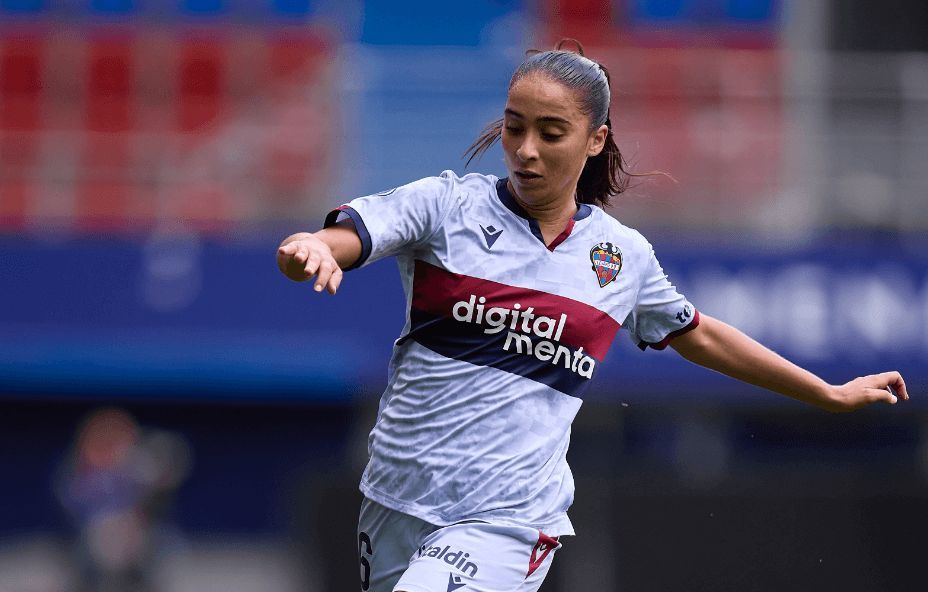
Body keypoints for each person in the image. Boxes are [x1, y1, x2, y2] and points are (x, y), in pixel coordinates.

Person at [275, 41, 909, 592]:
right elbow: (346, 237)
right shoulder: (446, 208)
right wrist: (309, 250)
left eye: (550, 133)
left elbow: (700, 335)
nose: (525, 150)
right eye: (513, 126)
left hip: (510, 517)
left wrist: (824, 392)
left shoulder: (620, 258)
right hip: (394, 499)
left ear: (595, 139)